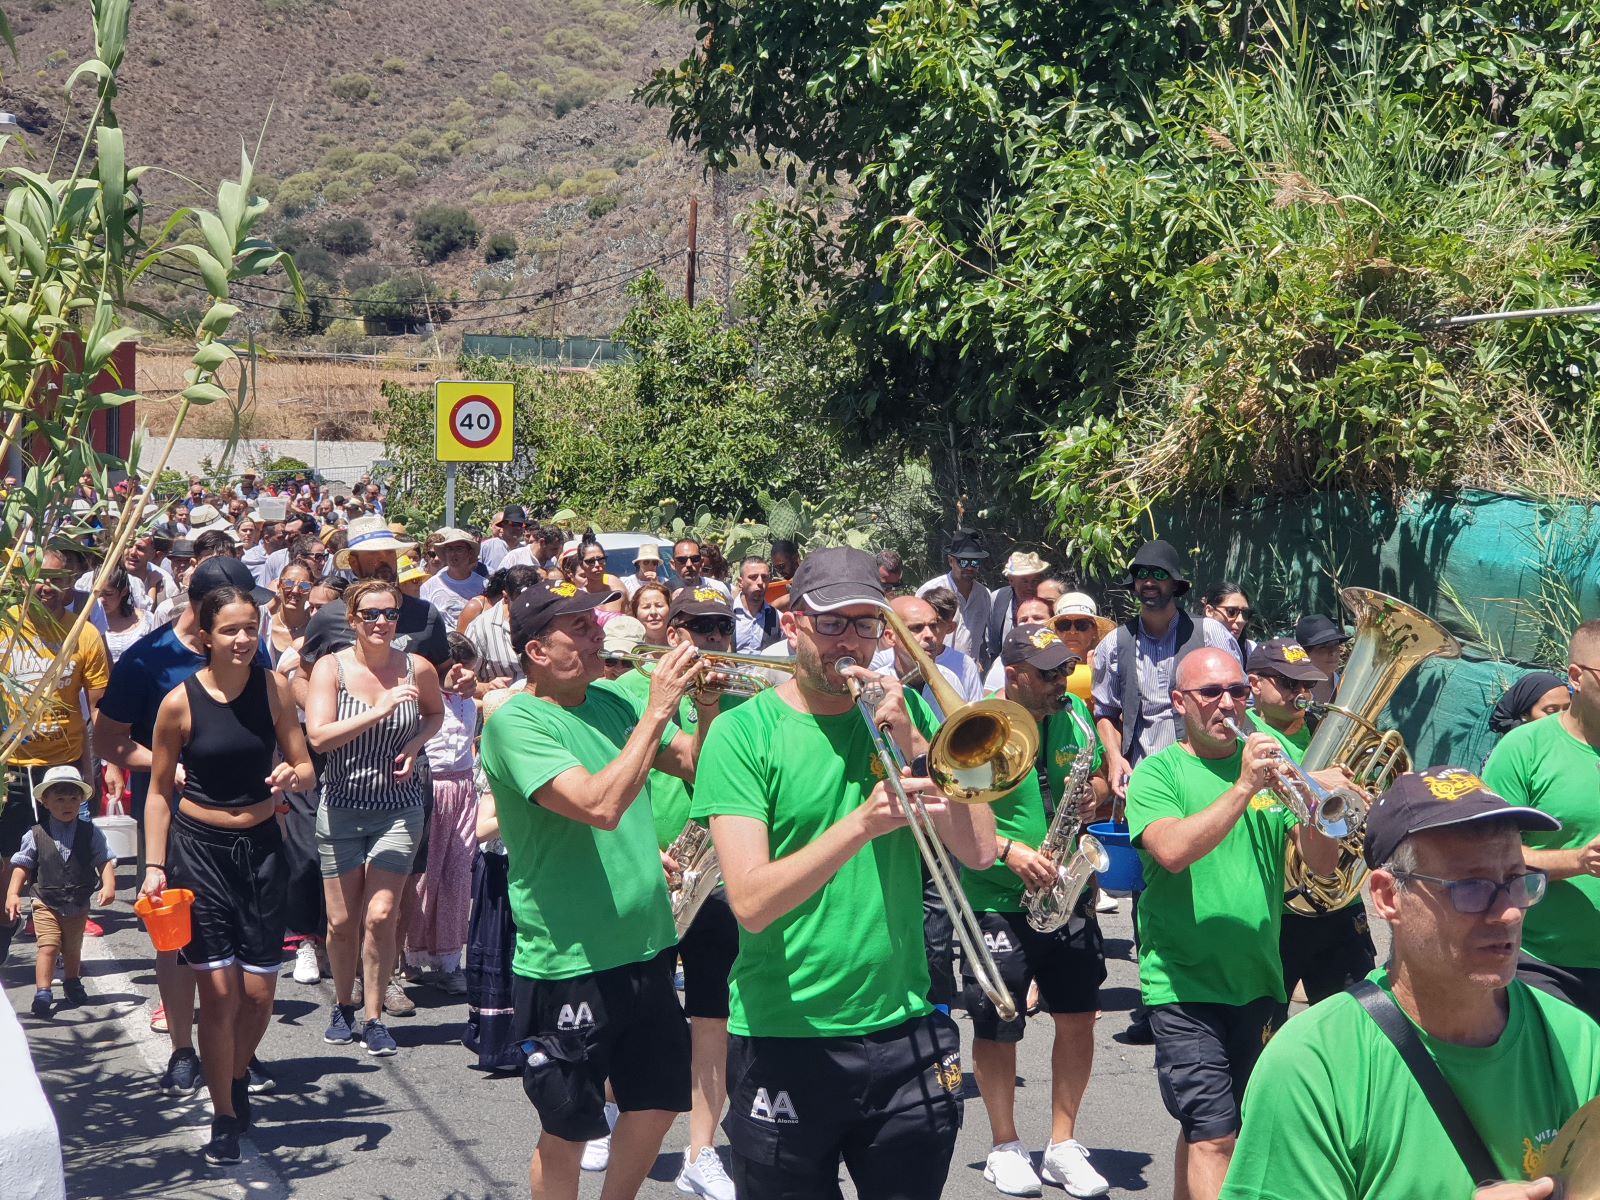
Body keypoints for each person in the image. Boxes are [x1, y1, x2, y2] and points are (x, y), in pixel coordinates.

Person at [695, 546, 997, 1199]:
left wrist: (921, 748)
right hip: (785, 1034)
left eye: (865, 625)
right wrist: (861, 824)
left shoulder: (909, 720)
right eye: (832, 623)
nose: (850, 641)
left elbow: (979, 851)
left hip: (906, 1025)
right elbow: (748, 900)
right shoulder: (743, 734)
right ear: (792, 624)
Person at [1221, 767, 1600, 1200]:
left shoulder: (1579, 1044)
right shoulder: (1313, 1064)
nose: (1509, 913)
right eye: (1471, 888)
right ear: (1386, 897)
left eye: (1517, 882)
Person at [479, 579, 712, 1200]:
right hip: (569, 959)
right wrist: (660, 705)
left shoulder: (609, 702)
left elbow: (693, 762)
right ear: (537, 651)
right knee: (569, 1125)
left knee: (659, 1103)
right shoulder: (516, 721)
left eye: (593, 620)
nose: (596, 632)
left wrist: (707, 706)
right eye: (578, 626)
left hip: (646, 944)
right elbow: (600, 804)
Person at [1126, 648, 1340, 1200]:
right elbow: (1171, 851)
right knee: (1216, 1136)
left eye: (1238, 691)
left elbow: (1320, 864)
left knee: (1219, 1133)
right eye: (1212, 693)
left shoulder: (1281, 756)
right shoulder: (1160, 772)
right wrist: (1244, 787)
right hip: (1182, 983)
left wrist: (1326, 809)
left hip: (1260, 978)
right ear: (1179, 703)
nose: (1229, 704)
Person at [141, 585, 315, 1165]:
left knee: (260, 994)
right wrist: (154, 866)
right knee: (217, 995)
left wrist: (294, 773)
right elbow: (160, 794)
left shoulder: (274, 689)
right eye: (230, 631)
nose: (243, 640)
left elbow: (305, 763)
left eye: (250, 628)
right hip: (200, 852)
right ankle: (223, 1113)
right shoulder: (179, 703)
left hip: (264, 849)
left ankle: (236, 1075)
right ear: (207, 636)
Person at [962, 625, 1111, 1198]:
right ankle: (1004, 1144)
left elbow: (1092, 773)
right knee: (997, 1022)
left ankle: (1063, 1143)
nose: (1061, 683)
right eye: (1048, 674)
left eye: (1064, 671)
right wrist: (1007, 850)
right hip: (999, 895)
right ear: (1015, 675)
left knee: (1079, 1014)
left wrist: (1096, 787)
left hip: (1065, 890)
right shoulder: (980, 729)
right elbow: (956, 810)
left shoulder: (1073, 714)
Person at [604, 587, 743, 1200]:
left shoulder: (743, 698)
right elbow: (651, 770)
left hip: (715, 870)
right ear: (673, 631)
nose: (710, 640)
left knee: (712, 1014)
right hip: (649, 869)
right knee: (633, 1007)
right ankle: (610, 1112)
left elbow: (708, 768)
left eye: (720, 629)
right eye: (697, 627)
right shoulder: (631, 690)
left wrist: (712, 705)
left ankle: (701, 1150)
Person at [305, 579, 445, 1057]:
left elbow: (434, 714)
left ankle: (374, 1014)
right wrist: (380, 709)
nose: (381, 622)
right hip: (342, 808)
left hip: (398, 809)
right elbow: (320, 737)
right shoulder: (332, 668)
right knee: (343, 922)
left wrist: (414, 744)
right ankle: (342, 1005)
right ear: (353, 619)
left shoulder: (417, 667)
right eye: (370, 614)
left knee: (382, 915)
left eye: (388, 614)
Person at [1243, 639, 1377, 1005]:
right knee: (1263, 1026)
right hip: (1279, 907)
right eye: (1288, 683)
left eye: (1307, 684)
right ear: (1255, 683)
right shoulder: (1242, 733)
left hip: (1339, 902)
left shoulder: (1327, 729)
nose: (1301, 693)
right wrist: (1316, 781)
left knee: (1354, 1018)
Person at [1483, 622, 1600, 1023]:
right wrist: (1579, 861)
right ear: (1576, 678)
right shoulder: (1523, 749)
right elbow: (1490, 855)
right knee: (1565, 1083)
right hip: (1546, 965)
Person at [1, 548, 112, 952]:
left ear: (71, 584)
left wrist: (107, 764)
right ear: (21, 580)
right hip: (10, 768)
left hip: (62, 769)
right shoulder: (4, 628)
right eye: (37, 577)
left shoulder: (84, 635)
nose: (46, 586)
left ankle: (66, 968)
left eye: (58, 578)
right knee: (9, 863)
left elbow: (99, 709)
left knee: (69, 864)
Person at [1093, 540, 1240, 798]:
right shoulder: (1115, 644)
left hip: (1208, 774)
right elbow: (1106, 712)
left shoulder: (1209, 633)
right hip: (1144, 780)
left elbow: (1240, 701)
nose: (1149, 582)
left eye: (1159, 574)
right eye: (1142, 575)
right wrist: (1115, 758)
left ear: (1174, 583)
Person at [4, 766, 116, 1019]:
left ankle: (72, 981)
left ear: (81, 801)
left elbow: (104, 858)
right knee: (48, 945)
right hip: (45, 899)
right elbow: (21, 865)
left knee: (73, 947)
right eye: (60, 799)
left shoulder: (90, 832)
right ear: (45, 802)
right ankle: (43, 991)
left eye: (73, 799)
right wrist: (13, 894)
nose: (67, 804)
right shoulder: (35, 834)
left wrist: (109, 883)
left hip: (77, 901)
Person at [407, 633, 481, 993]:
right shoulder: (421, 700)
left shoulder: (471, 701)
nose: (463, 675)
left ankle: (449, 960)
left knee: (456, 876)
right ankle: (410, 955)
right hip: (429, 788)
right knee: (423, 877)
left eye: (470, 668)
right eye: (456, 669)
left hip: (463, 789)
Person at [298, 515, 450, 673]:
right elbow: (302, 678)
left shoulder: (425, 615)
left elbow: (443, 671)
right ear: (354, 563)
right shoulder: (328, 618)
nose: (384, 561)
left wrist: (457, 680)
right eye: (373, 553)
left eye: (389, 552)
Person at [916, 528, 994, 663]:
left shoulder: (984, 595)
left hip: (968, 670)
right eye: (963, 562)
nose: (969, 567)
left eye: (975, 562)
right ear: (951, 561)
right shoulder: (929, 591)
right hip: (935, 666)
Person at [465, 565, 542, 691]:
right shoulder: (480, 628)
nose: (528, 608)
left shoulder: (549, 620)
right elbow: (463, 682)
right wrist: (487, 687)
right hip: (501, 705)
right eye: (521, 603)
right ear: (506, 597)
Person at [982, 550, 1051, 667]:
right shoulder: (998, 599)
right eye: (1024, 581)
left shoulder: (1048, 603)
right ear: (1011, 580)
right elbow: (990, 640)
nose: (1030, 586)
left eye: (1035, 581)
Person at [91, 565, 156, 664]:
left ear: (124, 591)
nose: (102, 600)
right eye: (97, 594)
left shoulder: (148, 622)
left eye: (108, 594)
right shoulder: (87, 622)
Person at [1487, 671, 1569, 737]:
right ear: (1524, 714)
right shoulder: (1513, 753)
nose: (1561, 716)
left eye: (1567, 709)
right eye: (1551, 711)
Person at [265, 559, 316, 666]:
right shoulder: (265, 626)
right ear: (279, 586)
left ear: (311, 590)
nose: (295, 591)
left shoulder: (315, 629)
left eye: (304, 586)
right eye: (288, 583)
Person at [1295, 613, 1350, 705]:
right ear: (1305, 653)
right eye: (1323, 647)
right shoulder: (1292, 692)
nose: (1333, 652)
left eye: (1336, 644)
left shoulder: (1349, 688)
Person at [731, 555, 781, 653]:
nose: (760, 582)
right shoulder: (726, 613)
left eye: (764, 577)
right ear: (740, 582)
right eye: (753, 577)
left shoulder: (778, 618)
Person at [1202, 582, 1255, 670]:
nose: (1241, 620)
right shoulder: (1191, 642)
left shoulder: (1250, 649)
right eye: (1231, 611)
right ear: (1209, 611)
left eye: (1245, 613)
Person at [573, 537, 627, 614]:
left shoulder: (618, 593)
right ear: (581, 565)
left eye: (601, 559)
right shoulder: (578, 599)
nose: (597, 565)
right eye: (590, 561)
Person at [479, 504, 527, 574]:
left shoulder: (525, 552)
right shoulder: (486, 547)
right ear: (503, 525)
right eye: (514, 524)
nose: (518, 528)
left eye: (521, 524)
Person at [631, 581, 672, 645]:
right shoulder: (628, 647)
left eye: (659, 606)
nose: (653, 612)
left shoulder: (683, 643)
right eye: (646, 607)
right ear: (635, 613)